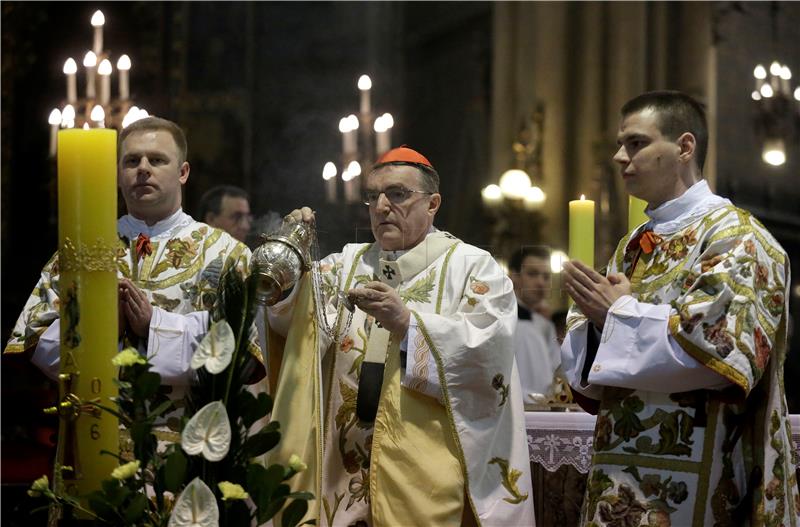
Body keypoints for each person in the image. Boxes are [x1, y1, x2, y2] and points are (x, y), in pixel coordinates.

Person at [561, 91, 798, 525]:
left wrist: (617, 315)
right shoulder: (633, 244)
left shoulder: (739, 238)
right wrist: (596, 322)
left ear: (684, 147)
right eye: (621, 144)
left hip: (705, 472)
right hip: (618, 466)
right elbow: (594, 336)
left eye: (635, 143)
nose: (619, 157)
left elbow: (720, 351)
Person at [265, 146, 534, 526]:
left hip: (424, 473)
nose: (381, 207)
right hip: (341, 472)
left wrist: (409, 323)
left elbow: (488, 357)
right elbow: (291, 326)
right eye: (373, 196)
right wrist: (290, 253)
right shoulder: (345, 265)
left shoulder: (472, 267)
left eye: (398, 194)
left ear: (433, 203)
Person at [5, 116, 262, 437]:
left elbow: (242, 355)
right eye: (131, 161)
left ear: (183, 172)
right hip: (96, 437)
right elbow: (33, 339)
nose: (143, 168)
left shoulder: (225, 253)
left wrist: (155, 325)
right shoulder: (82, 248)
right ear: (117, 174)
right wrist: (102, 330)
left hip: (187, 445)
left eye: (156, 160)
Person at [508, 246, 562, 403]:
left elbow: (557, 371)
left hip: (543, 410)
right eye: (532, 274)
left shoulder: (545, 325)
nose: (540, 282)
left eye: (546, 276)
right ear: (513, 276)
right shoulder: (499, 319)